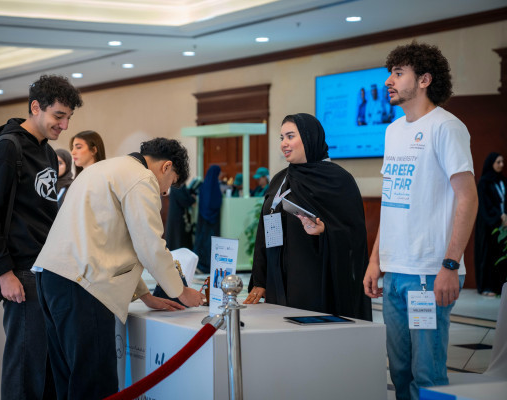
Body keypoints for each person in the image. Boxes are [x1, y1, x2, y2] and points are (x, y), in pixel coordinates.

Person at [33, 138, 206, 399]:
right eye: (171, 183)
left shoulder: (103, 169)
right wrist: (181, 291)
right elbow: (149, 245)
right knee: (93, 384)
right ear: (166, 167)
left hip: (52, 277)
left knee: (67, 380)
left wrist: (145, 296)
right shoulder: (141, 178)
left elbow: (115, 242)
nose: (166, 192)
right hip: (83, 286)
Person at [363, 42, 478, 400]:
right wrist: (375, 260)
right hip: (395, 271)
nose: (388, 81)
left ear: (425, 79)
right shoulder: (393, 130)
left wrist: (450, 264)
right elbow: (392, 201)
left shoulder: (446, 127)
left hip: (429, 273)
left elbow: (468, 198)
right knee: (398, 371)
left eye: (399, 73)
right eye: (390, 72)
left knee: (426, 373)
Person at [0, 74, 83, 400]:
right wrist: (5, 273)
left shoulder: (48, 154)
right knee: (24, 366)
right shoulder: (7, 148)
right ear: (36, 107)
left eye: (68, 118)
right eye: (58, 116)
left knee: (48, 367)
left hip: (47, 272)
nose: (64, 126)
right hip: (20, 272)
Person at [244, 113, 371, 322]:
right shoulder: (279, 180)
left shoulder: (338, 181)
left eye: (290, 136)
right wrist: (261, 279)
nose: (284, 143)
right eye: (282, 138)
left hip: (316, 282)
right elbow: (263, 231)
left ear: (309, 137)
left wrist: (325, 231)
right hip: (278, 281)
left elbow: (354, 238)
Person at [475, 152, 507, 296]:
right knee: (488, 255)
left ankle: (499, 286)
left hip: (503, 225)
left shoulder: (503, 181)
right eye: (498, 162)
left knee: (500, 255)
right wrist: (498, 216)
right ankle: (486, 287)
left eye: (502, 162)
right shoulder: (484, 182)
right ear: (491, 163)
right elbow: (484, 205)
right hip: (489, 225)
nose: (501, 165)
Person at [194, 165, 223, 273]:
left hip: (203, 219)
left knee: (202, 241)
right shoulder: (214, 187)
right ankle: (205, 266)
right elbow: (215, 203)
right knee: (209, 243)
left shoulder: (204, 186)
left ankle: (199, 265)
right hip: (212, 221)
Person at [164, 182, 196, 251]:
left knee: (178, 239)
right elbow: (184, 200)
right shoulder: (177, 185)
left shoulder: (177, 184)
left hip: (177, 216)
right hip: (178, 217)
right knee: (178, 240)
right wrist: (192, 199)